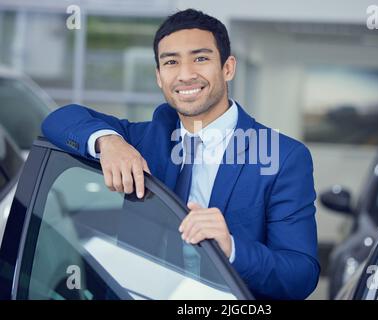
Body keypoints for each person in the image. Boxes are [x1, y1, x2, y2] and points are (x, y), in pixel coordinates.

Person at [41, 8, 319, 299]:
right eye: (171, 62)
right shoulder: (143, 139)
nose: (186, 75)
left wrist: (232, 249)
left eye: (200, 58)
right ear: (159, 77)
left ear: (228, 68)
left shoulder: (283, 157)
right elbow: (59, 120)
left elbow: (300, 275)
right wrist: (109, 142)